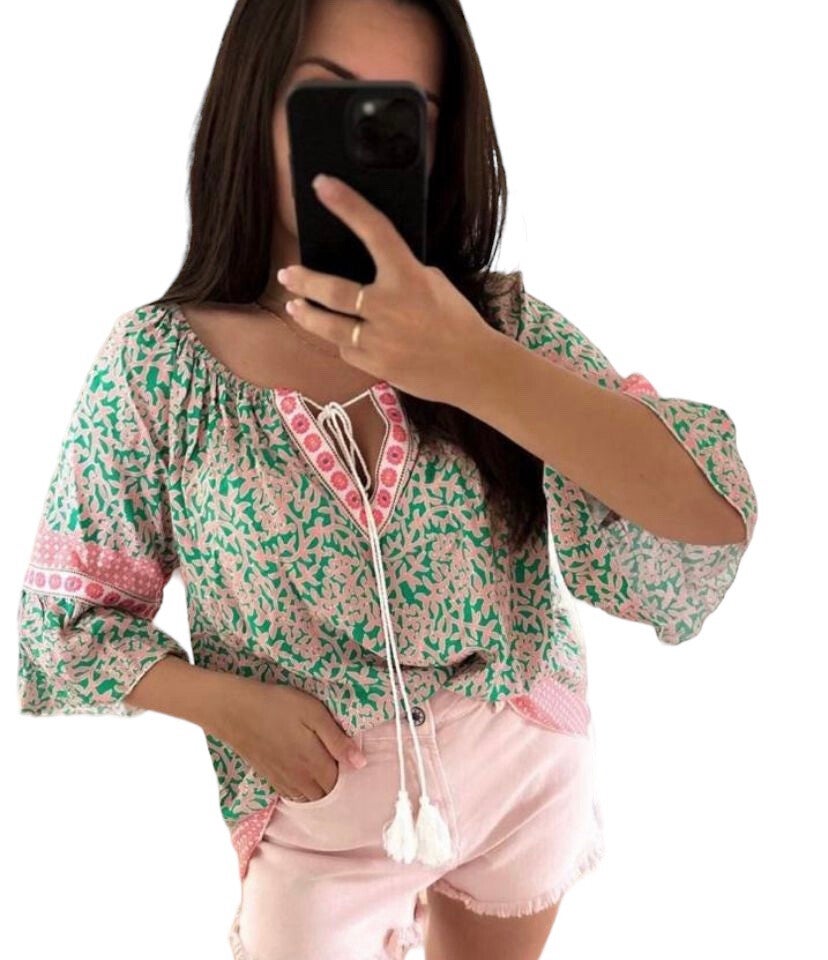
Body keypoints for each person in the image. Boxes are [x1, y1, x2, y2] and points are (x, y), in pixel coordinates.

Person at [16, 1, 758, 958]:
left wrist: (474, 367)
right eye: (326, 102)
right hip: (316, 814)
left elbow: (709, 518)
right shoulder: (159, 365)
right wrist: (227, 706)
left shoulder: (498, 328)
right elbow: (66, 623)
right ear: (251, 104)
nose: (361, 147)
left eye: (402, 116)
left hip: (521, 769)